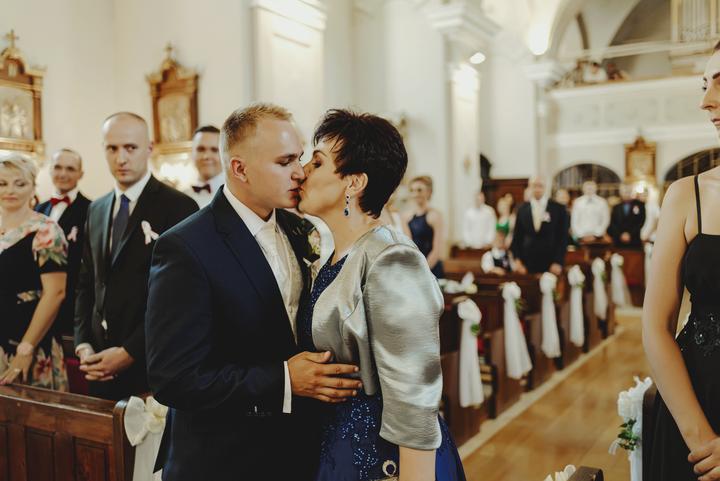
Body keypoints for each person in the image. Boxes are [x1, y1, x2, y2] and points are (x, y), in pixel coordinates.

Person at [146, 103, 363, 480]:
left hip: (293, 451)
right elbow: (174, 378)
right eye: (284, 162)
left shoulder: (300, 231)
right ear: (240, 168)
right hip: (222, 459)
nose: (299, 172)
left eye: (299, 158)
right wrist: (284, 379)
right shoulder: (185, 247)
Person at [298, 109, 465, 481]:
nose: (303, 170)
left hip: (384, 458)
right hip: (337, 447)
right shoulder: (337, 255)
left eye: (318, 162)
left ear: (354, 182)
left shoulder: (392, 258)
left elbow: (415, 394)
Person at [74, 112, 197, 401]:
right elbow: (87, 282)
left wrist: (130, 352)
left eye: (130, 147)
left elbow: (180, 297)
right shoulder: (97, 208)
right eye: (112, 148)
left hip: (152, 365)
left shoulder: (179, 207)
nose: (121, 158)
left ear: (149, 148)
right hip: (98, 363)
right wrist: (83, 343)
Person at [645, 42, 720, 481]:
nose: (705, 101)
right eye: (704, 84)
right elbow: (656, 325)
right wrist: (702, 441)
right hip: (695, 411)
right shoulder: (685, 195)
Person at [0, 153, 68, 390]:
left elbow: (55, 293)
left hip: (28, 340)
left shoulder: (46, 230)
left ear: (32, 187)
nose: (10, 190)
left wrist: (26, 348)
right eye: (2, 183)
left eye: (20, 183)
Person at [35, 149, 91, 337]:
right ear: (50, 170)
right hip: (38, 300)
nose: (63, 174)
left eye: (70, 168)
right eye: (58, 167)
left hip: (73, 302)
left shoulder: (91, 209)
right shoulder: (38, 209)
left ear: (80, 174)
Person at [510, 176, 568, 275]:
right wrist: (517, 260)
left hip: (551, 262)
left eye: (540, 186)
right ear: (529, 187)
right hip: (527, 263)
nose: (537, 189)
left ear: (545, 187)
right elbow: (517, 236)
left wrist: (558, 261)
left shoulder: (558, 209)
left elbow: (563, 237)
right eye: (534, 186)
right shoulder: (521, 209)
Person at [405, 175, 446, 278]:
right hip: (415, 268)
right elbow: (409, 247)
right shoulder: (407, 217)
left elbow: (437, 250)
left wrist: (423, 272)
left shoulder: (435, 216)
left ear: (429, 192)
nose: (415, 194)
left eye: (419, 190)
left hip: (432, 269)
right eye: (412, 190)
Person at [184, 125, 225, 208]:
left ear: (225, 154)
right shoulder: (183, 195)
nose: (206, 156)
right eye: (201, 149)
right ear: (191, 153)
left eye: (214, 150)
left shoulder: (236, 194)